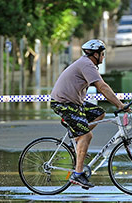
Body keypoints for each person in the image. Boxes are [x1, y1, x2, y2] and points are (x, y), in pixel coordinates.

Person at [50, 39, 127, 189]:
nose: (103, 57)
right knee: (87, 135)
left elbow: (103, 86)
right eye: (102, 54)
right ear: (95, 54)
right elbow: (102, 87)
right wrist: (120, 105)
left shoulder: (88, 64)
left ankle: (77, 140)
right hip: (63, 103)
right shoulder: (87, 65)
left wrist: (119, 103)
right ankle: (78, 174)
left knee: (99, 113)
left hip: (74, 103)